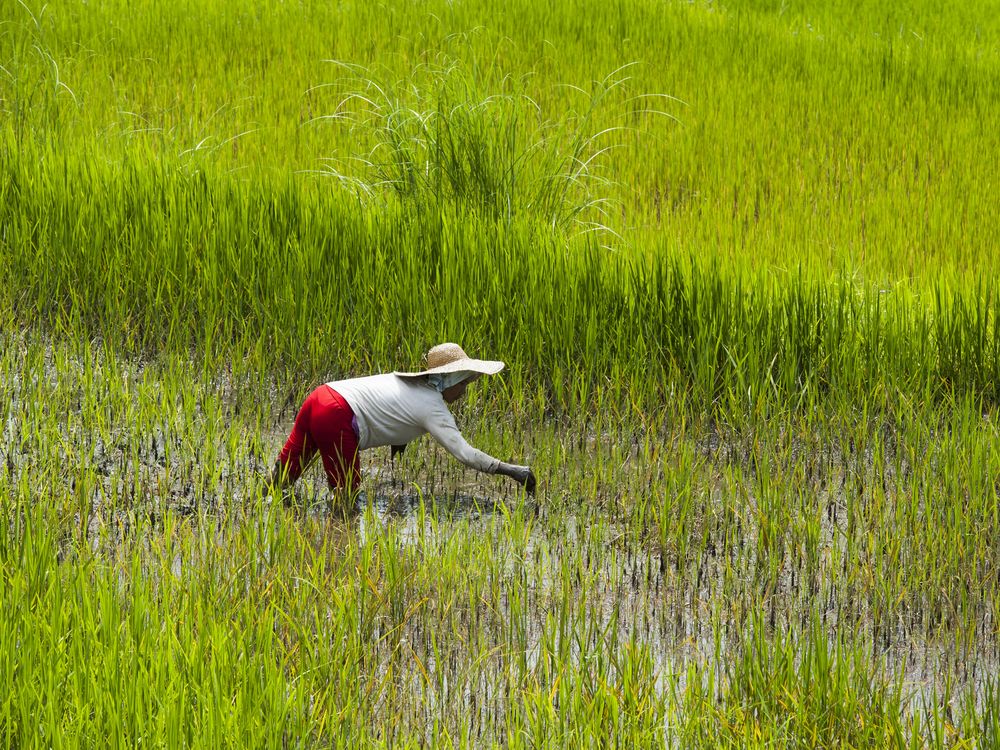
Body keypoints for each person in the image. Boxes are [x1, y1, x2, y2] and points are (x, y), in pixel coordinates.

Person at [271, 343, 536, 498]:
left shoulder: (408, 384)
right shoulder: (432, 407)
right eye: (464, 383)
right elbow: (465, 453)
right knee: (345, 498)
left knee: (282, 479)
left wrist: (400, 440)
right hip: (338, 414)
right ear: (451, 381)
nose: (465, 391)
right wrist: (513, 471)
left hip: (322, 395)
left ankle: (261, 509)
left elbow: (390, 404)